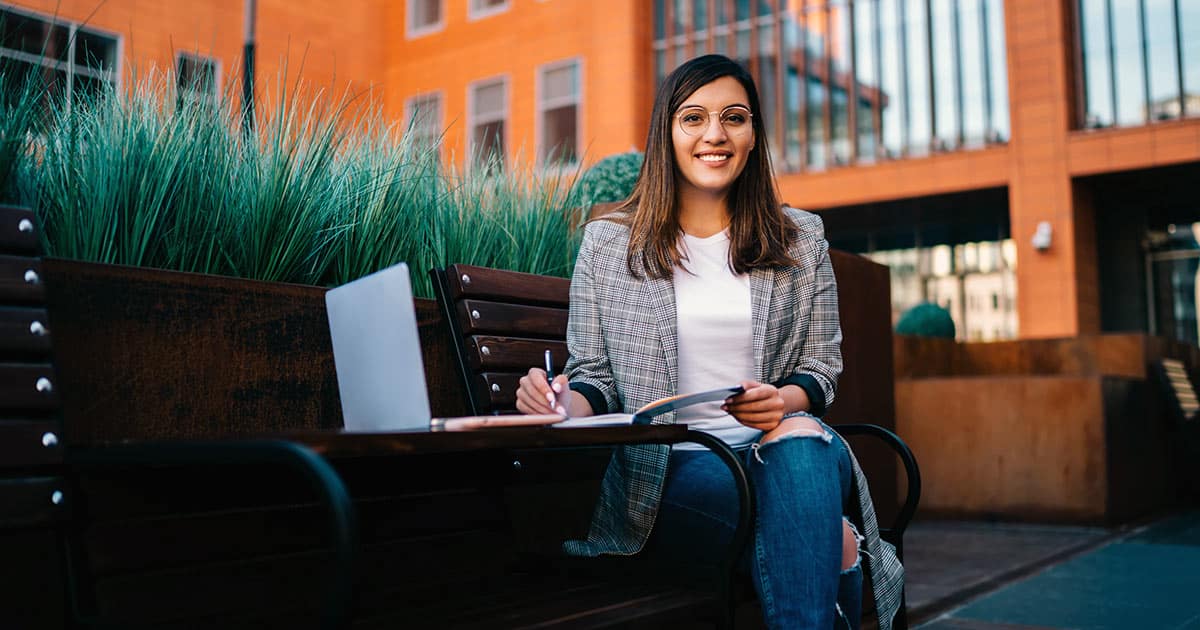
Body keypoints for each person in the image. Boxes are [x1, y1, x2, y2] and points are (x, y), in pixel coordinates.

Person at [515, 54, 903, 629]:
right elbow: (593, 376)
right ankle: (836, 547)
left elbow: (821, 369)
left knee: (799, 440)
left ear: (753, 136)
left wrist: (781, 401)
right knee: (834, 539)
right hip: (669, 472)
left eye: (734, 118)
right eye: (693, 118)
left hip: (786, 453)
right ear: (667, 133)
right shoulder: (608, 243)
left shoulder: (801, 239)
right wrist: (556, 402)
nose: (714, 135)